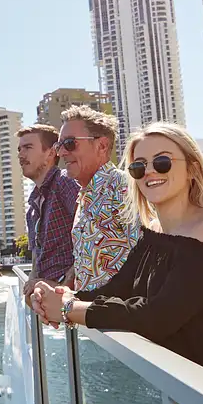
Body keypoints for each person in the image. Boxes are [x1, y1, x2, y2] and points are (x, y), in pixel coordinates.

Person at [31, 122, 203, 402]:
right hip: (181, 399)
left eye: (162, 162)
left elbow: (158, 316)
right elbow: (118, 290)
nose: (149, 172)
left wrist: (68, 309)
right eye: (138, 166)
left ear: (193, 169)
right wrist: (61, 297)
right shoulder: (155, 232)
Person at [57, 106, 138, 291]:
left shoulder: (122, 186)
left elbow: (144, 259)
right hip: (88, 316)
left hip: (115, 317)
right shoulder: (83, 196)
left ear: (101, 145)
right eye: (58, 145)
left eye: (69, 143)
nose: (61, 153)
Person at [16, 123, 79, 298]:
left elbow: (94, 231)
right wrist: (32, 281)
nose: (21, 155)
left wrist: (66, 282)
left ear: (51, 152)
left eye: (28, 147)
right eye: (19, 149)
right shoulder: (32, 210)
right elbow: (36, 258)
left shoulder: (65, 182)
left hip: (70, 299)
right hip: (49, 308)